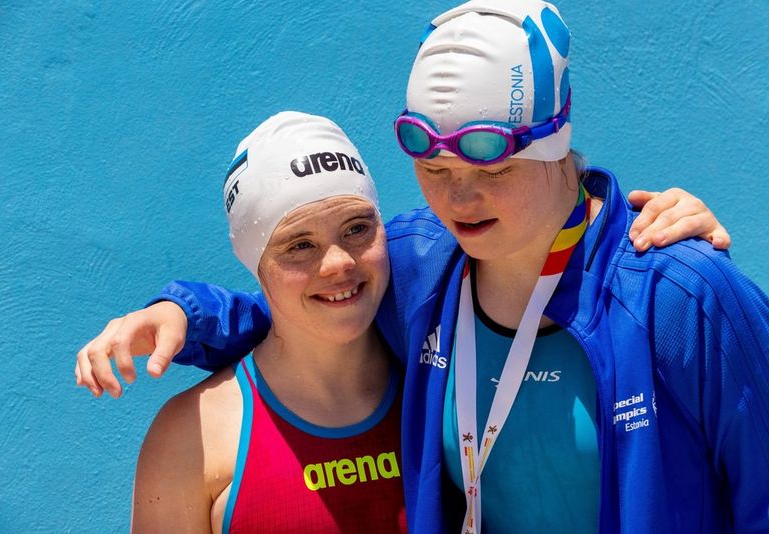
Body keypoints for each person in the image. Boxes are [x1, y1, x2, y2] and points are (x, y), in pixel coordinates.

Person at [75, 1, 767, 533]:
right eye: (433, 169)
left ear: (555, 144)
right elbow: (308, 308)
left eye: (489, 168)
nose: (458, 199)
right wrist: (182, 314)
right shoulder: (421, 263)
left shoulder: (681, 296)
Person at [130, 112, 406, 533]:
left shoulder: (443, 384)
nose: (338, 263)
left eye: (356, 228)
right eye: (300, 245)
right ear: (256, 264)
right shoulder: (195, 437)